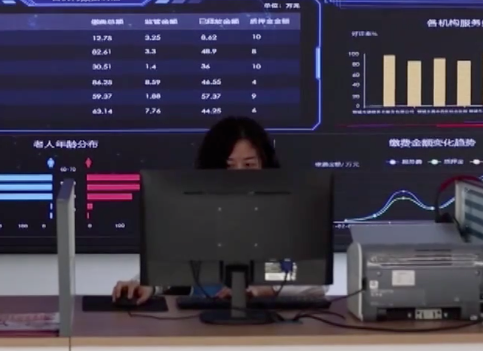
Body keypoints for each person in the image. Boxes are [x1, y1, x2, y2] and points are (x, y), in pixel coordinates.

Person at [112, 116, 326, 303]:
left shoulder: (285, 215)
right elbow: (172, 266)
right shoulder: (195, 217)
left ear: (265, 167)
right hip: (199, 326)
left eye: (249, 165)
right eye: (228, 166)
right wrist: (143, 283)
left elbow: (313, 277)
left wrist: (262, 288)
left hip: (267, 326)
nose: (238, 176)